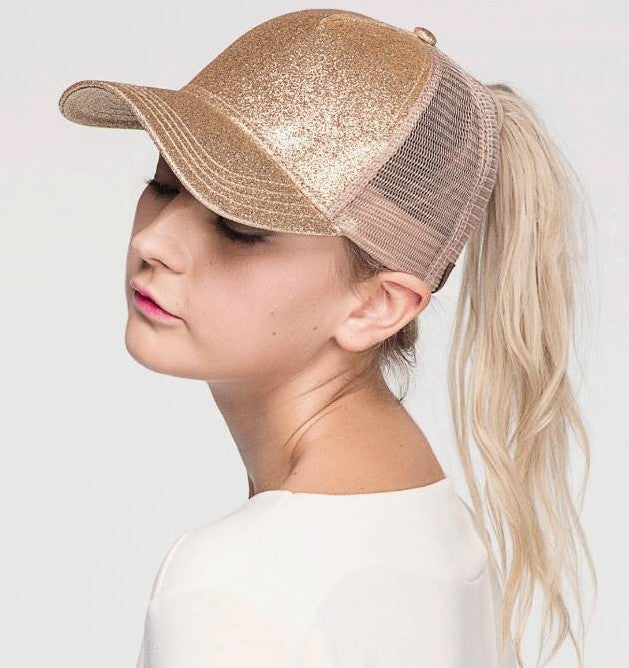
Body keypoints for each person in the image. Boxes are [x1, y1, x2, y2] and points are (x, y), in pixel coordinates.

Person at [57, 8, 596, 668]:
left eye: (238, 227)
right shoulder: (436, 527)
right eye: (164, 183)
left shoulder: (231, 585)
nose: (153, 240)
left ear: (377, 305)